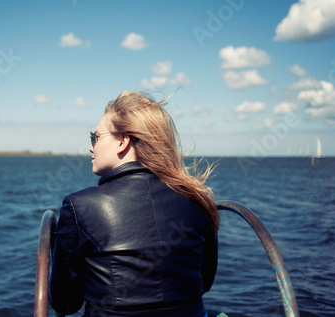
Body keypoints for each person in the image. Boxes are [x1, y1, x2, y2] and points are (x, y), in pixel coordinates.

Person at [49, 91, 219, 317]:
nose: (91, 147)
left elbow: (65, 304)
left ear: (122, 141)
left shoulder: (78, 206)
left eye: (95, 137)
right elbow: (204, 283)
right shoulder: (197, 199)